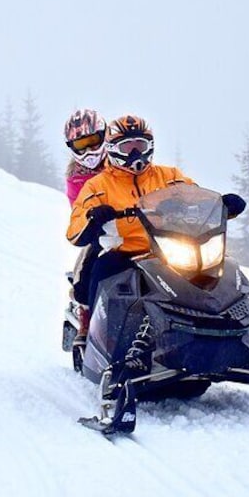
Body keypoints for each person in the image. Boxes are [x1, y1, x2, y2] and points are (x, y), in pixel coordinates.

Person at [66, 115, 196, 354]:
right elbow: (75, 228)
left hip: (167, 247)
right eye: (128, 147)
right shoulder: (97, 185)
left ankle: (239, 334)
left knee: (218, 268)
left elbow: (193, 194)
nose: (135, 153)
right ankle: (98, 335)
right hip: (124, 252)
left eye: (140, 145)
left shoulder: (169, 175)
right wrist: (93, 217)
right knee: (100, 272)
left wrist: (223, 204)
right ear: (114, 149)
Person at [63, 109, 108, 347]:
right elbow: (78, 211)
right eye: (82, 145)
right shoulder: (76, 178)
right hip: (101, 233)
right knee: (88, 267)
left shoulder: (120, 160)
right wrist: (94, 217)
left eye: (93, 142)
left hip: (138, 228)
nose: (89, 151)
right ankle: (86, 319)